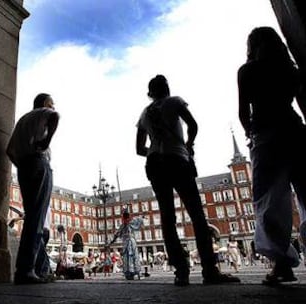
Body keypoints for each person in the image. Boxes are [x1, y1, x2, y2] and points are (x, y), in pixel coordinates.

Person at [136, 74, 240, 286]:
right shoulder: (174, 101)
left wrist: (156, 152)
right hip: (177, 160)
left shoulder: (144, 114)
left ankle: (181, 272)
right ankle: (210, 271)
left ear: (150, 93)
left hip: (155, 164)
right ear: (167, 88)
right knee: (196, 214)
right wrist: (189, 144)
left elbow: (139, 149)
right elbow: (193, 124)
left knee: (167, 217)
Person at [237, 26, 306, 285]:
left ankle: (281, 264)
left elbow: (244, 109)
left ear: (251, 46)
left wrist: (249, 132)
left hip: (266, 135)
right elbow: (301, 102)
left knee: (270, 201)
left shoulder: (248, 71)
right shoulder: (291, 70)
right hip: (295, 129)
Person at [6, 93, 59, 284]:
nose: (53, 107)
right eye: (51, 104)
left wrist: (21, 164)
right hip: (39, 163)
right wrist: (45, 143)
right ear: (45, 104)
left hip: (23, 167)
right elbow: (55, 117)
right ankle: (26, 270)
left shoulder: (23, 120)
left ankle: (27, 269)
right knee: (37, 219)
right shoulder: (43, 113)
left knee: (31, 217)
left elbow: (9, 151)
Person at [109, 208, 144, 280]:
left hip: (128, 242)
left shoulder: (124, 225)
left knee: (129, 257)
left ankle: (130, 273)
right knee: (132, 257)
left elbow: (116, 235)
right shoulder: (129, 223)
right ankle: (134, 273)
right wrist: (141, 217)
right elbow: (139, 219)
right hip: (130, 242)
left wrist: (110, 243)